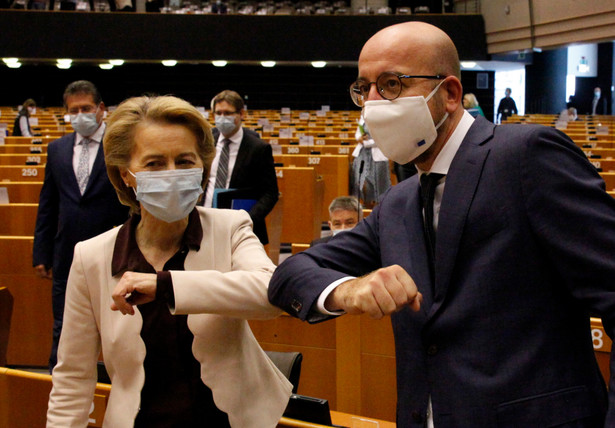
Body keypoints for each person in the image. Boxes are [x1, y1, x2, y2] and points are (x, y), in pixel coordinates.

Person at [269, 21, 615, 427]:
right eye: (364, 89)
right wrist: (348, 287)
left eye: (392, 84)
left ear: (449, 93)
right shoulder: (397, 203)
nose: (372, 104)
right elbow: (289, 275)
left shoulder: (525, 157)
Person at [46, 95, 292, 428]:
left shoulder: (229, 227)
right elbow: (73, 377)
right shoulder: (91, 256)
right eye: (155, 163)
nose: (173, 173)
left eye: (185, 160)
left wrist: (165, 285)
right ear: (126, 175)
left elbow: (270, 292)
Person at [33, 80, 129, 372]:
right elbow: (48, 204)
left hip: (114, 252)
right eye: (73, 110)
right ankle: (59, 382)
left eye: (86, 108)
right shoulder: (57, 149)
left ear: (101, 109)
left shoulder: (120, 146)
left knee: (119, 327)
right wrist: (42, 253)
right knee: (63, 325)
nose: (80, 115)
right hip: (67, 254)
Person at [202, 90, 279, 246]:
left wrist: (247, 220)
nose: (222, 118)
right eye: (218, 113)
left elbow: (270, 193)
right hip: (204, 220)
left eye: (228, 113)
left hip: (240, 225)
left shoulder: (258, 148)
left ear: (241, 114)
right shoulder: (206, 141)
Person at [351, 116, 391, 207]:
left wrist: (365, 143)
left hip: (378, 156)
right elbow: (358, 133)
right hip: (362, 154)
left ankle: (379, 208)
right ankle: (364, 205)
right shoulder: (363, 116)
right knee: (360, 181)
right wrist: (359, 138)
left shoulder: (384, 119)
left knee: (379, 184)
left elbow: (383, 139)